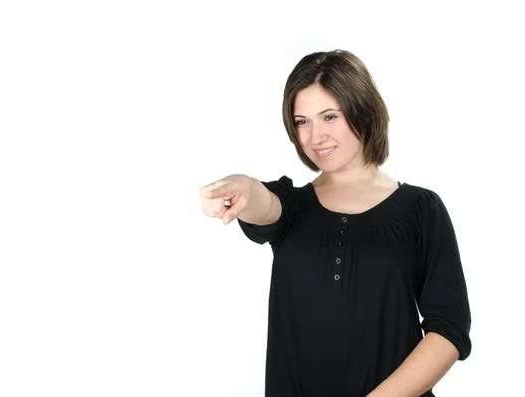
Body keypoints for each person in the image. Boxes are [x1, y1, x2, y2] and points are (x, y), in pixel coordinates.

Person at [200, 49, 472, 397]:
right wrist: (240, 186)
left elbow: (448, 330)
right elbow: (263, 203)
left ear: (362, 109)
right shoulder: (293, 207)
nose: (315, 137)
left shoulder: (422, 209)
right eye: (302, 122)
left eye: (330, 116)